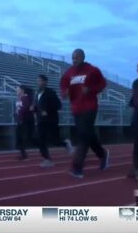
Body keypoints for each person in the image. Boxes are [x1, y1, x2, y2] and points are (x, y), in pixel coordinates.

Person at [60, 49, 109, 178]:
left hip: (90, 106)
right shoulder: (69, 72)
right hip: (76, 108)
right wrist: (64, 92)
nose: (74, 60)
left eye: (76, 57)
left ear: (82, 57)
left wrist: (91, 90)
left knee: (83, 136)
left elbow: (103, 84)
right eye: (72, 58)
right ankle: (102, 154)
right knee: (88, 134)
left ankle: (77, 167)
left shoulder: (92, 70)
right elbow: (63, 84)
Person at [32, 75, 62, 167]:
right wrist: (33, 108)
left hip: (51, 120)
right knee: (40, 139)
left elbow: (59, 105)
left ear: (45, 82)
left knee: (55, 140)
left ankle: (65, 143)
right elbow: (37, 106)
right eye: (38, 80)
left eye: (40, 81)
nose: (38, 82)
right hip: (41, 121)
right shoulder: (37, 93)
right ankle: (47, 159)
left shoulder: (51, 92)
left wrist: (47, 111)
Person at [15, 85, 35, 161]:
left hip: (26, 121)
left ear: (22, 90)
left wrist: (19, 112)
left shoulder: (26, 98)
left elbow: (25, 108)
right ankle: (23, 155)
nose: (16, 91)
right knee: (20, 137)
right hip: (21, 120)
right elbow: (19, 109)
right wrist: (15, 114)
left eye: (17, 89)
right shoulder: (19, 99)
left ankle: (24, 155)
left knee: (23, 138)